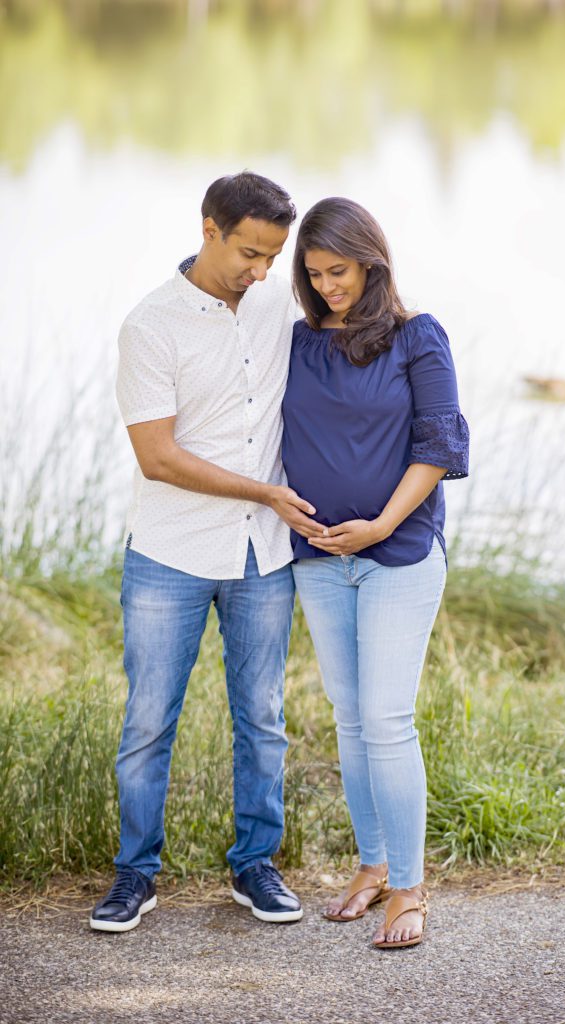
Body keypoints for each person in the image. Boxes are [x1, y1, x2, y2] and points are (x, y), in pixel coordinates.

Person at [91, 172, 326, 933]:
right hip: (171, 553)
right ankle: (135, 875)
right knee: (150, 721)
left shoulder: (276, 298)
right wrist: (263, 493)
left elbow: (355, 307)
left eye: (272, 256)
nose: (262, 272)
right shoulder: (150, 326)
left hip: (266, 558)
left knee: (262, 716)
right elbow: (156, 457)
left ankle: (255, 864)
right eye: (250, 253)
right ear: (209, 229)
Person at [281, 197, 469, 949]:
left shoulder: (417, 337)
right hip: (319, 561)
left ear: (372, 262)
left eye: (341, 270)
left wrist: (383, 523)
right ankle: (373, 866)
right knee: (352, 720)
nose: (328, 285)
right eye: (315, 272)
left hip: (398, 555)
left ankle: (411, 889)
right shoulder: (297, 341)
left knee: (388, 720)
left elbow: (439, 445)